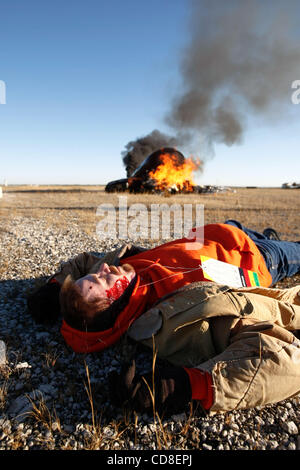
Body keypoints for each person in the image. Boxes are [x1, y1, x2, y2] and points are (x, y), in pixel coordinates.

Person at [27, 220, 300, 416]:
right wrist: (182, 386)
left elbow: (83, 263)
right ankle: (274, 239)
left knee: (239, 225)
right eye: (104, 278)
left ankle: (265, 231)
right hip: (258, 258)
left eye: (97, 273)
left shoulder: (120, 273)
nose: (106, 268)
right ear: (116, 307)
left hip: (219, 232)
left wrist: (54, 287)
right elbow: (280, 361)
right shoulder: (178, 318)